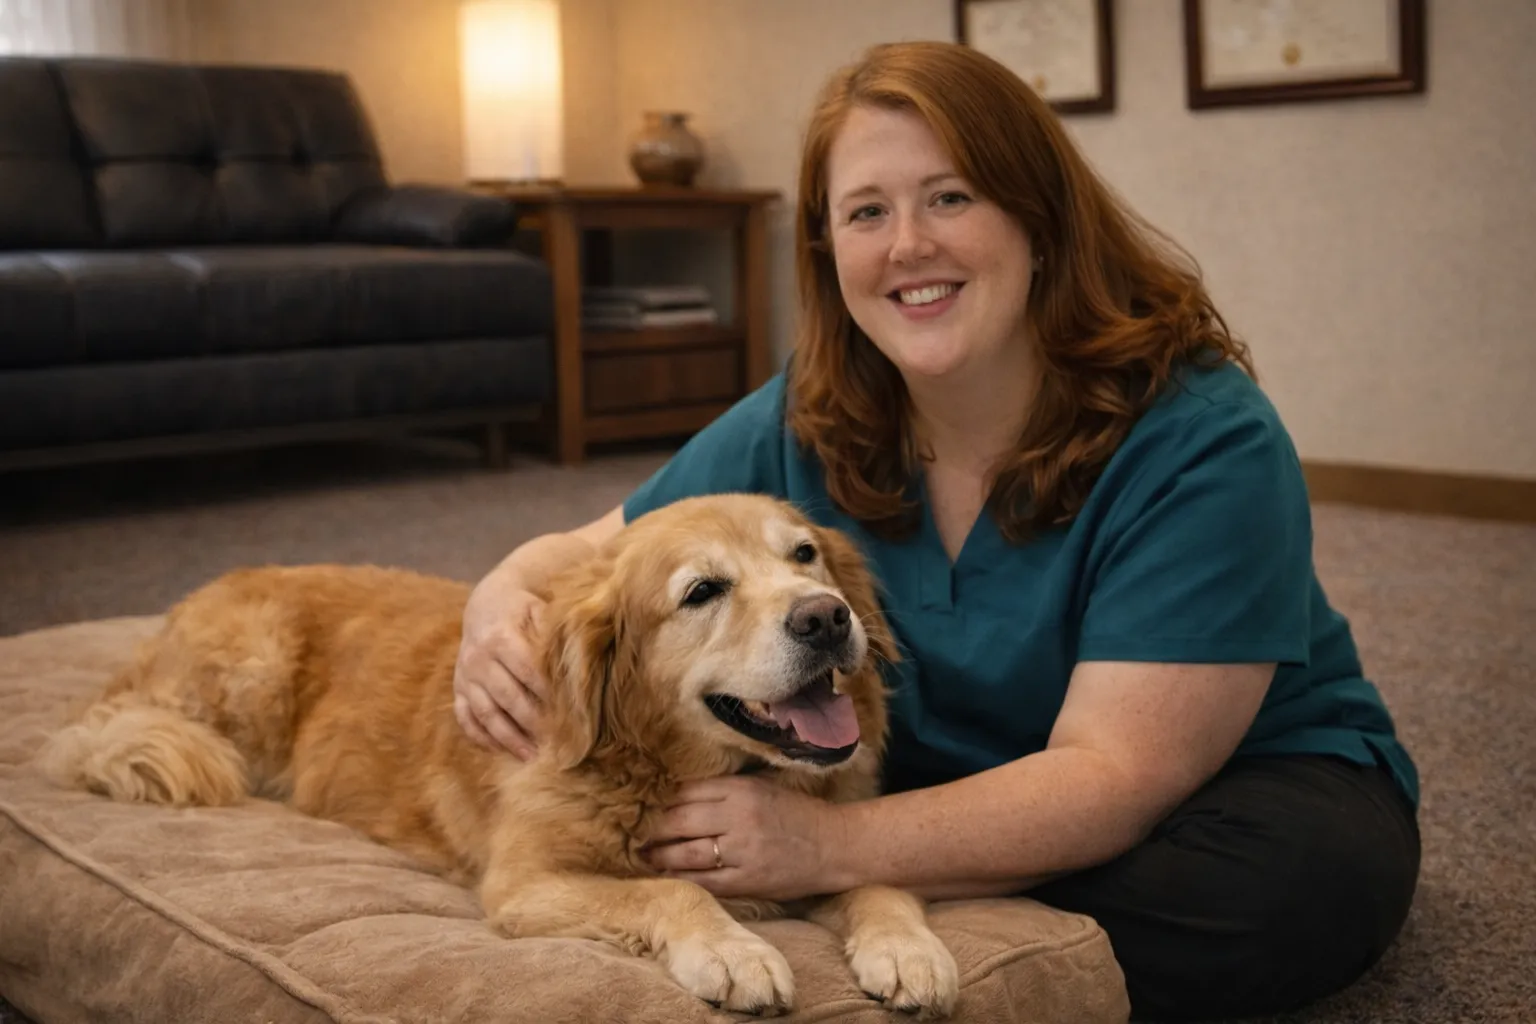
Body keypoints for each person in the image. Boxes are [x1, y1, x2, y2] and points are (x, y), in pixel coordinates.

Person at [451, 40, 1420, 1022]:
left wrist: (827, 850)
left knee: (1280, 890)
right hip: (942, 771)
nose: (908, 244)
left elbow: (1117, 775)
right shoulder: (809, 410)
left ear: (1040, 217)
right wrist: (497, 598)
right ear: (831, 253)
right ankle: (935, 929)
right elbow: (583, 554)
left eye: (951, 197)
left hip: (1218, 788)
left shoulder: (1205, 436)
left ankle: (916, 921)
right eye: (867, 212)